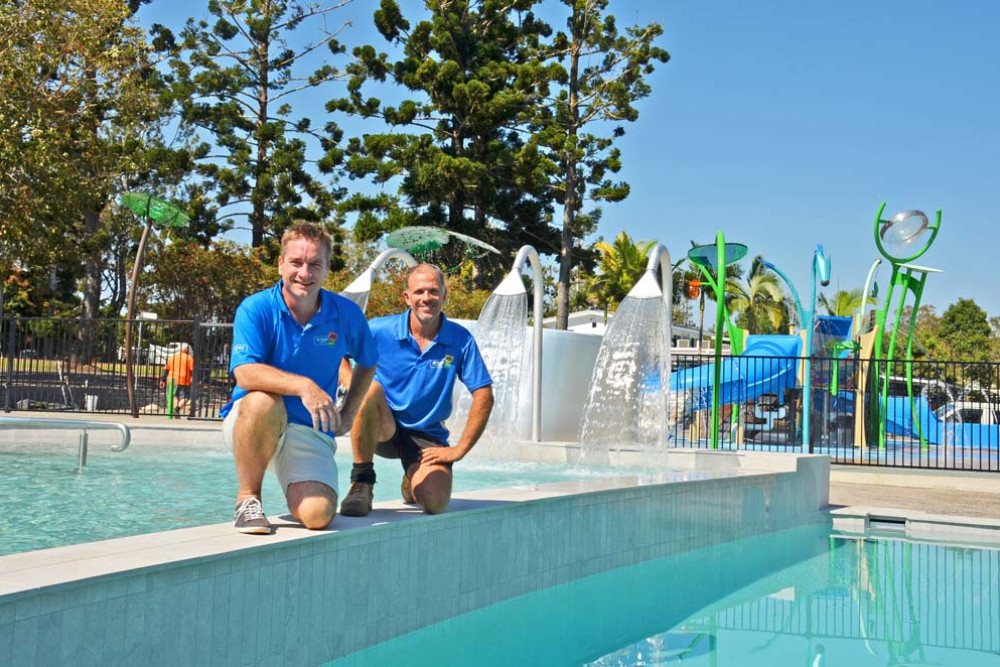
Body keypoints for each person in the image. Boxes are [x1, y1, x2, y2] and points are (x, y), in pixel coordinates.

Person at [220, 222, 378, 535]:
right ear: (280, 264)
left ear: (327, 269)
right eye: (296, 262)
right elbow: (245, 372)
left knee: (318, 516)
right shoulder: (256, 308)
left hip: (309, 428)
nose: (304, 273)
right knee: (263, 400)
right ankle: (248, 498)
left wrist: (347, 416)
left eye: (314, 264)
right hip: (255, 421)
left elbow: (368, 362)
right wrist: (303, 386)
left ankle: (295, 481)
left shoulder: (346, 313)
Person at [340, 263, 494, 517]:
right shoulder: (379, 330)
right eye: (419, 291)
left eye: (433, 292)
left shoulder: (460, 339)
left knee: (435, 503)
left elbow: (484, 395)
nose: (426, 298)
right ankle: (362, 482)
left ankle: (411, 480)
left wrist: (459, 449)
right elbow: (339, 356)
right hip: (381, 425)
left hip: (426, 434)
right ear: (407, 297)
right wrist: (355, 387)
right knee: (369, 389)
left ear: (445, 295)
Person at [160, 343, 194, 414]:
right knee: (186, 397)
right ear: (187, 349)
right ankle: (177, 409)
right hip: (184, 380)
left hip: (172, 380)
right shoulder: (190, 358)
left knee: (173, 396)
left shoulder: (173, 357)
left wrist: (162, 380)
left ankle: (173, 411)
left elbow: (166, 369)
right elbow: (192, 371)